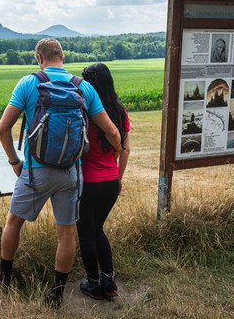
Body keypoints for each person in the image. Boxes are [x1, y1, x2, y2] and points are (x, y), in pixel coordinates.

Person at [0, 39, 122, 308]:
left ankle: (4, 279)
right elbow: (112, 131)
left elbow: (3, 129)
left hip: (34, 173)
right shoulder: (83, 87)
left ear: (39, 58)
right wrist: (118, 152)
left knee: (13, 223)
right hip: (70, 174)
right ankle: (57, 293)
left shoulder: (29, 83)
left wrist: (14, 162)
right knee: (66, 234)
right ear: (63, 57)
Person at [76, 63, 130, 299]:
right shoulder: (120, 111)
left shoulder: (83, 110)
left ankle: (94, 283)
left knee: (87, 233)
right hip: (110, 181)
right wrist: (118, 178)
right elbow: (125, 150)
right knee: (98, 230)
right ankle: (109, 281)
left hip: (86, 182)